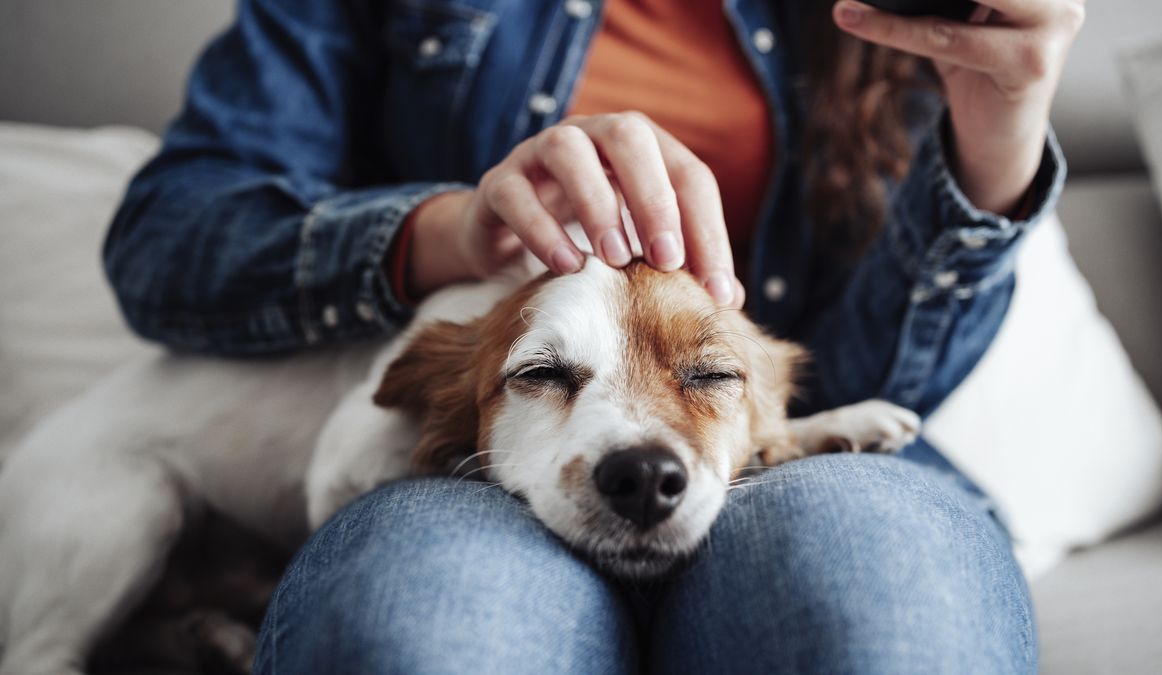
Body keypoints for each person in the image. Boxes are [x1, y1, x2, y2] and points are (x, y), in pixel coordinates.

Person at [104, 0, 1082, 672]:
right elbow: (164, 241)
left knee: (884, 606)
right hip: (475, 480)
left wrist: (998, 142)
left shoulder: (890, 19)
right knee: (428, 632)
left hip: (776, 462)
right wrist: (449, 229)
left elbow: (860, 384)